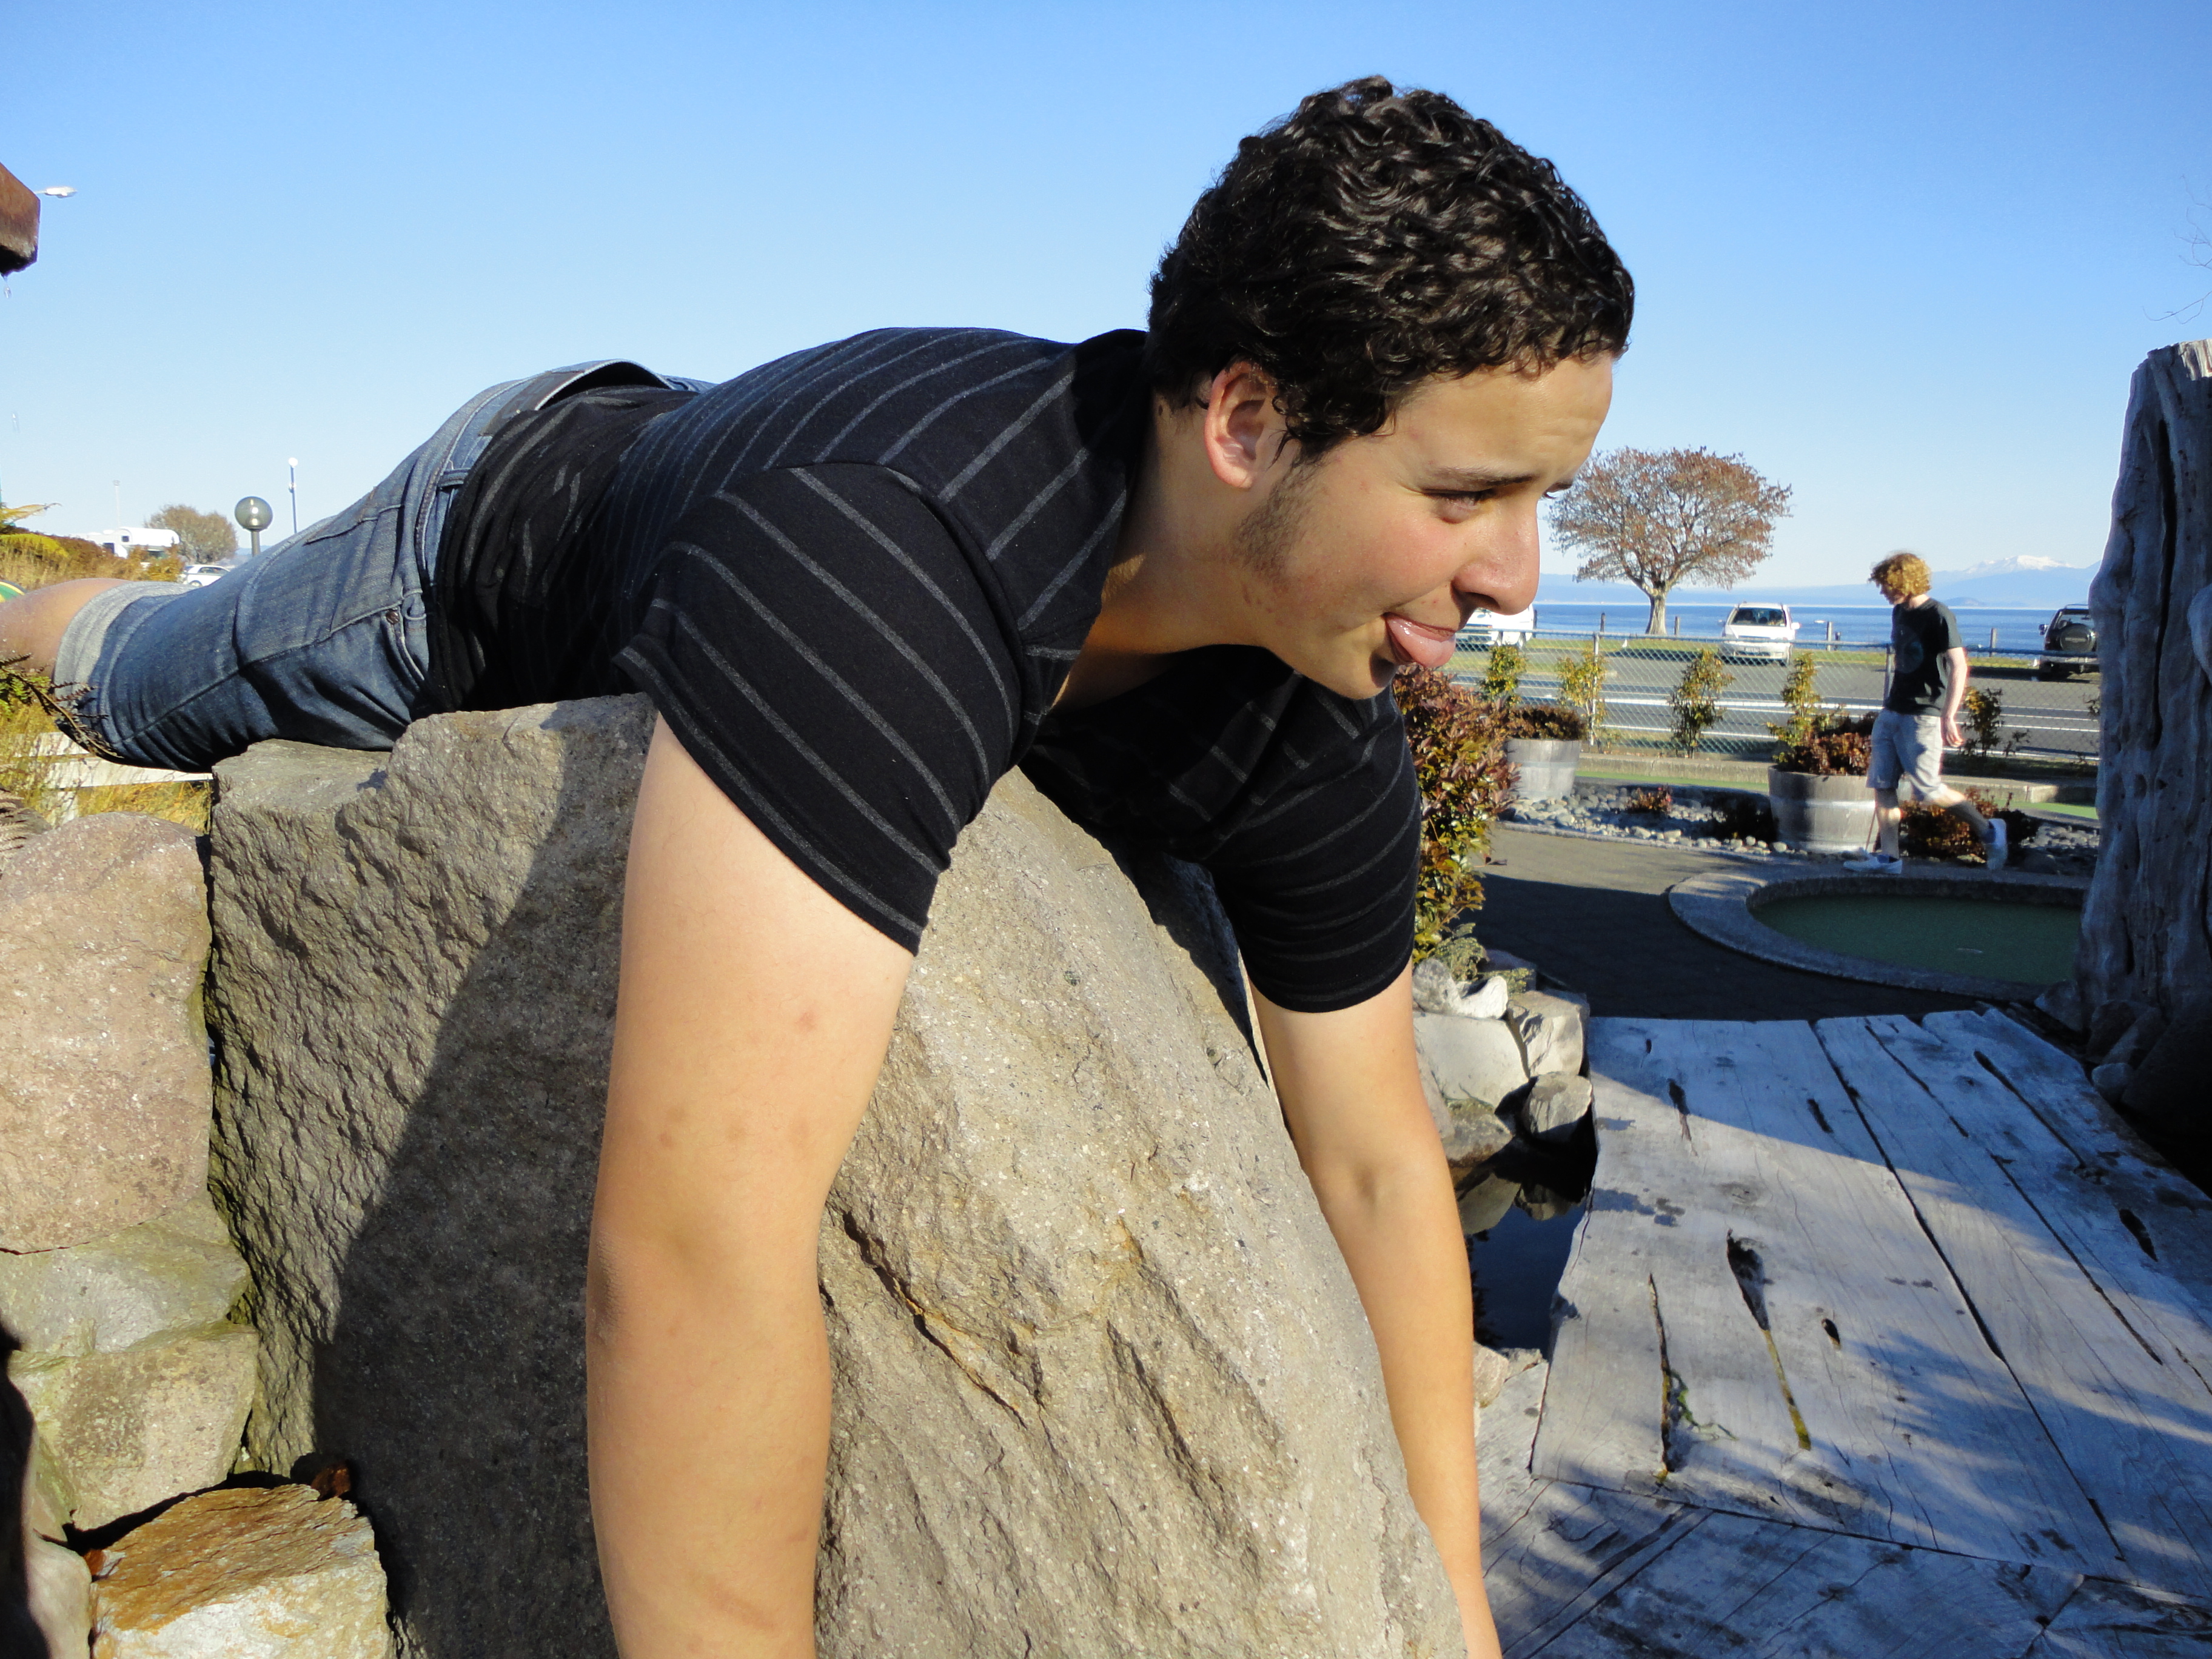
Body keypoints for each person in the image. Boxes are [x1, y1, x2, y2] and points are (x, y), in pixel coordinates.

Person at [0, 79, 1632, 1659]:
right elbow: (697, 1249)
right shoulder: (882, 571)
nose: (1517, 575)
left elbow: (1376, 1168)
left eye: (1541, 498)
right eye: (1465, 495)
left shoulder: (1322, 721)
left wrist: (1455, 1612)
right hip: (488, 525)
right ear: (1247, 419)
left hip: (758, 462)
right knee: (133, 676)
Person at [1846, 551, 2007, 873]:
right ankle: (1889, 858)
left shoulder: (1938, 615)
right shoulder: (1899, 613)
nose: (1883, 591)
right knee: (1883, 784)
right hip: (1893, 711)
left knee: (1928, 790)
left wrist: (1949, 715)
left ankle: (1989, 831)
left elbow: (1959, 665)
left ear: (1904, 581)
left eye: (1887, 584)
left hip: (1925, 714)